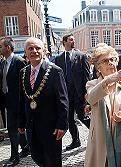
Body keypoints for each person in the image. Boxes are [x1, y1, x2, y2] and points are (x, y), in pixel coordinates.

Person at [84, 43, 121, 167]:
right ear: (98, 67)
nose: (111, 63)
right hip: (100, 142)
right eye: (106, 60)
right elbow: (91, 98)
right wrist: (107, 80)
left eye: (113, 59)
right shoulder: (92, 84)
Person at [18, 37, 68, 167]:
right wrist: (21, 121)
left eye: (37, 48)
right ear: (25, 52)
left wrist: (62, 124)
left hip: (51, 127)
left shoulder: (55, 71)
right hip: (32, 126)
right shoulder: (23, 72)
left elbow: (62, 99)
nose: (34, 51)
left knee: (53, 160)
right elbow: (22, 99)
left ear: (44, 51)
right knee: (37, 156)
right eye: (30, 48)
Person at [54, 34, 90, 150]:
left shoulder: (81, 56)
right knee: (69, 119)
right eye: (70, 39)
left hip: (79, 93)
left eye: (73, 39)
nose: (73, 41)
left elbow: (86, 76)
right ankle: (76, 141)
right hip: (66, 95)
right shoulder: (59, 58)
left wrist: (87, 92)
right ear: (64, 42)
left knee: (83, 117)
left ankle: (97, 135)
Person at [0, 37, 29, 167]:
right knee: (17, 127)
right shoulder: (2, 63)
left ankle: (14, 157)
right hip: (7, 102)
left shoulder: (19, 62)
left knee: (12, 129)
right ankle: (26, 148)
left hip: (18, 103)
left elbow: (25, 84)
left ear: (8, 47)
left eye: (1, 46)